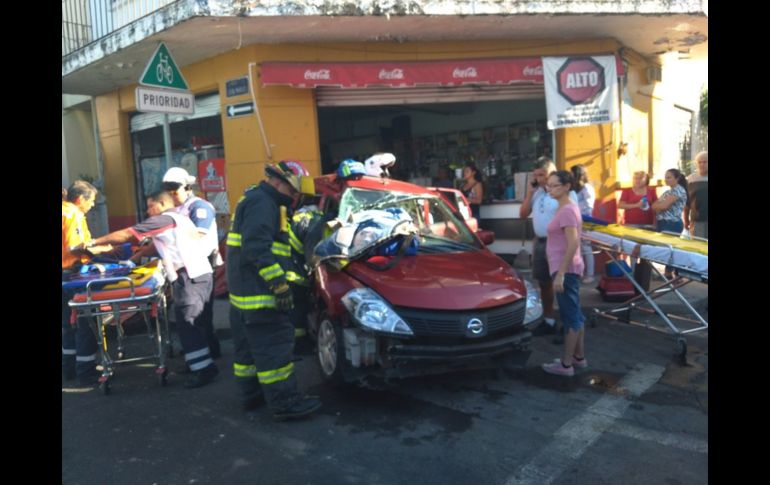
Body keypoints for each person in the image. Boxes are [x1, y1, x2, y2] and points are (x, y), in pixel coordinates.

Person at [81, 192, 218, 388]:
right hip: (195, 275)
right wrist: (132, 261)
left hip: (191, 275)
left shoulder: (164, 219)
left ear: (161, 204)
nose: (147, 211)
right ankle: (197, 364)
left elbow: (129, 233)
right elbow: (154, 247)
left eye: (150, 206)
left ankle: (204, 370)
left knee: (188, 322)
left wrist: (93, 242)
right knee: (190, 323)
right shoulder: (178, 220)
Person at [226, 160, 322, 421]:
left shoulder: (256, 200)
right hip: (262, 296)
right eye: (293, 192)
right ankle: (285, 402)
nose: (294, 199)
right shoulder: (263, 204)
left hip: (245, 297)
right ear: (279, 182)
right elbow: (257, 248)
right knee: (275, 349)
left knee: (247, 354)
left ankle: (251, 396)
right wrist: (279, 285)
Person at [162, 167, 222, 361]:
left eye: (175, 189)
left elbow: (198, 235)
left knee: (196, 317)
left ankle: (204, 358)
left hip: (199, 269)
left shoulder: (199, 207)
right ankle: (206, 351)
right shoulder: (176, 209)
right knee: (197, 317)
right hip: (185, 269)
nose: (171, 193)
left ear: (187, 188)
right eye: (168, 189)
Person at [520, 156, 578, 339]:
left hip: (558, 244)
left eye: (542, 174)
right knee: (544, 283)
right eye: (536, 175)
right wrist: (530, 192)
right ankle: (549, 320)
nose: (540, 179)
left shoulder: (565, 192)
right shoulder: (538, 192)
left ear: (551, 171)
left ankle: (569, 326)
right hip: (541, 242)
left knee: (562, 285)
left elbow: (572, 223)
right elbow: (522, 214)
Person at [62, 180, 113, 385]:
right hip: (71, 274)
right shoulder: (72, 214)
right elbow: (75, 246)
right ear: (80, 198)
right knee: (85, 321)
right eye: (91, 201)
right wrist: (102, 249)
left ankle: (70, 367)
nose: (92, 206)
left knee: (67, 323)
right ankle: (86, 371)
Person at [541, 170, 587, 377]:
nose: (549, 189)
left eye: (554, 185)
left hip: (566, 270)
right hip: (565, 268)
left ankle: (566, 364)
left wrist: (560, 273)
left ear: (567, 186)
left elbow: (574, 242)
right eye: (548, 185)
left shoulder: (568, 210)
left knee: (570, 316)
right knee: (575, 314)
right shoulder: (564, 208)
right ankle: (578, 357)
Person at [617, 170, 658, 291]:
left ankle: (646, 273)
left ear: (646, 179)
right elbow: (620, 205)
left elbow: (656, 206)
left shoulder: (651, 191)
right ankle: (634, 271)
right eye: (635, 178)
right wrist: (637, 205)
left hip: (648, 224)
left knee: (646, 249)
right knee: (633, 248)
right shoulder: (627, 191)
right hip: (631, 224)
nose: (637, 180)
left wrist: (655, 222)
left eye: (640, 178)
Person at [652, 168, 688, 279]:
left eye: (669, 177)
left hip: (672, 223)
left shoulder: (678, 190)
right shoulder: (668, 192)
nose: (666, 179)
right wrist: (659, 206)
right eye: (665, 177)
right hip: (662, 222)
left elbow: (663, 206)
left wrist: (660, 205)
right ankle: (669, 272)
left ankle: (671, 272)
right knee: (665, 249)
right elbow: (654, 207)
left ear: (676, 178)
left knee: (669, 249)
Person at [570, 164, 596, 284]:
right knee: (577, 248)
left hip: (585, 221)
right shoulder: (575, 189)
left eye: (572, 174)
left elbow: (589, 206)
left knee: (586, 247)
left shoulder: (587, 188)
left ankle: (590, 274)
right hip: (575, 221)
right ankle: (580, 272)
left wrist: (578, 213)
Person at [684, 151, 708, 239]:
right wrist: (686, 220)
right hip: (697, 221)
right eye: (699, 162)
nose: (702, 164)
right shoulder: (691, 179)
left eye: (705, 162)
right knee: (698, 248)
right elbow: (687, 203)